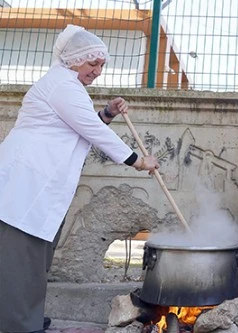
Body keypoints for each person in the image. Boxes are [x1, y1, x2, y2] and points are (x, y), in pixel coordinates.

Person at [0, 24, 160, 333]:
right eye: (93, 63)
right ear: (73, 59)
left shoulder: (67, 88)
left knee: (35, 261)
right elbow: (93, 131)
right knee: (20, 262)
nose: (98, 70)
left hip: (39, 188)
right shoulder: (61, 85)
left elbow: (80, 125)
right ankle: (18, 324)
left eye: (102, 64)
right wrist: (138, 161)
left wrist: (108, 112)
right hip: (25, 185)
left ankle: (24, 317)